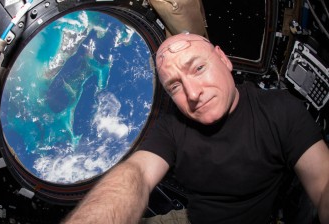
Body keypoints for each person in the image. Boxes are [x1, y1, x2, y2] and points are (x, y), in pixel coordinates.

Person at [62, 33, 329, 224]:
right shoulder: (171, 129)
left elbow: (323, 182)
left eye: (198, 68)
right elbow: (138, 174)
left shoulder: (279, 110)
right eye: (175, 86)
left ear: (224, 60)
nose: (193, 93)